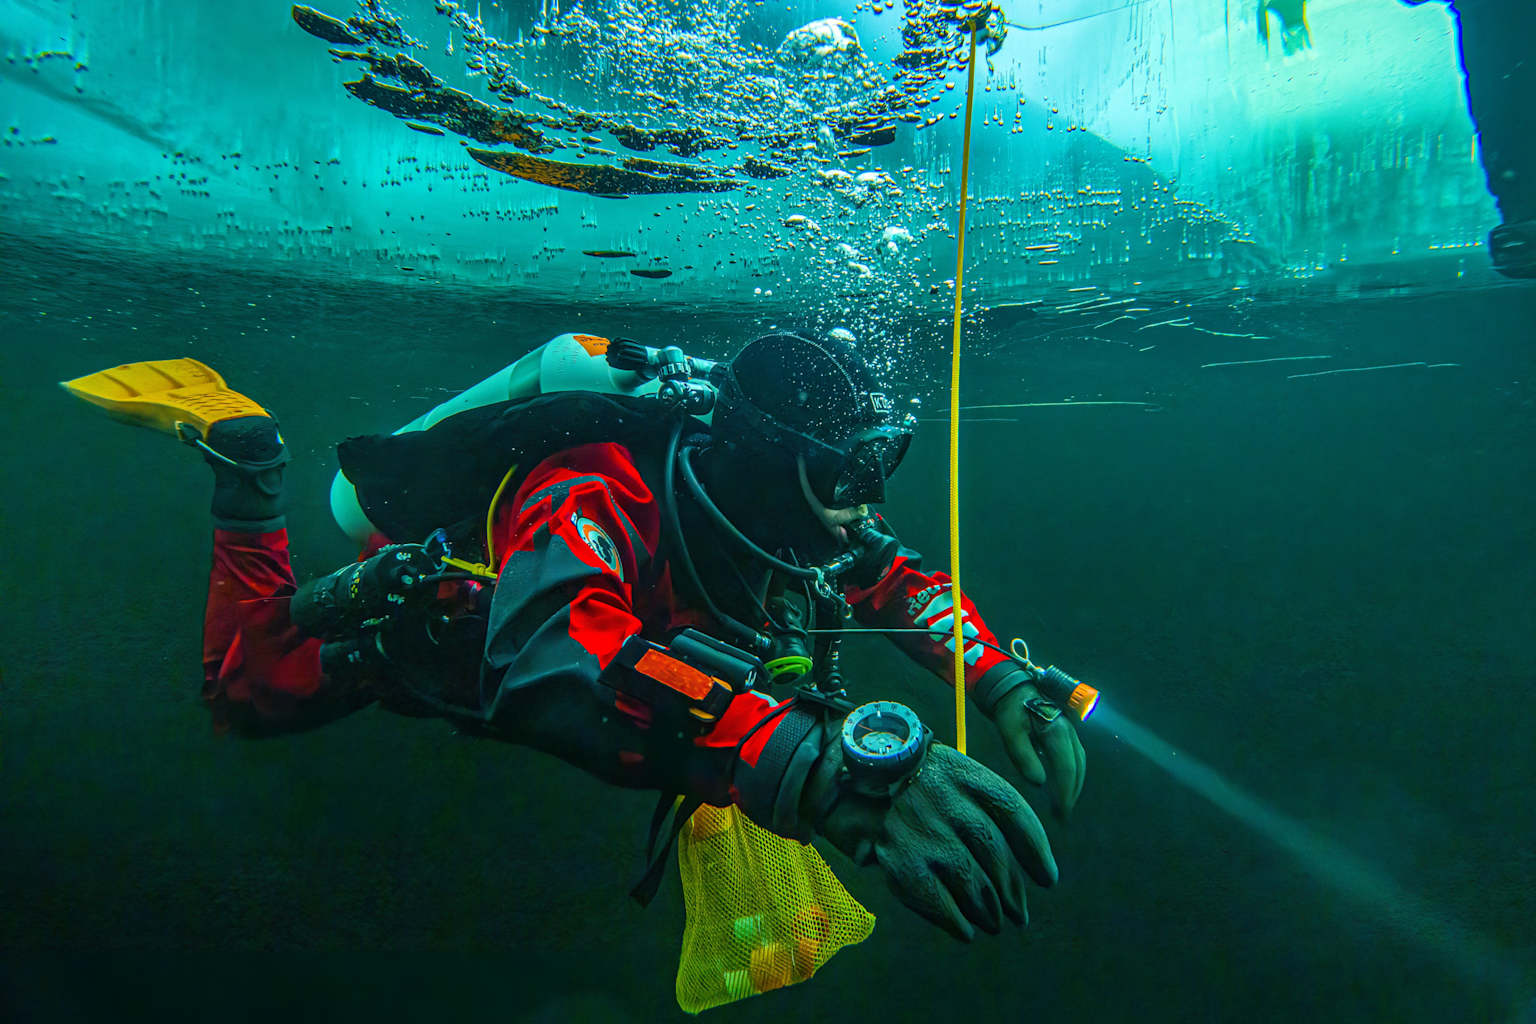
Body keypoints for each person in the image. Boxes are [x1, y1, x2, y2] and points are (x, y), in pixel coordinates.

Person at [62, 331, 1088, 942]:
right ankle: (248, 467)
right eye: (845, 476)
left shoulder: (789, 515)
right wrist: (811, 765)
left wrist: (999, 679)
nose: (864, 505)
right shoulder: (591, 483)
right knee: (243, 698)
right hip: (430, 634)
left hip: (671, 649)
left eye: (879, 467)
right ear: (776, 467)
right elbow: (561, 650)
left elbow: (893, 579)